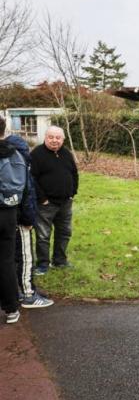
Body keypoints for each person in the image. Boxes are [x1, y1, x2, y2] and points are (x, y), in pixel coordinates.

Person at [5, 133, 54, 308]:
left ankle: (14, 292)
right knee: (25, 257)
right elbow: (26, 193)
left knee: (8, 258)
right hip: (18, 219)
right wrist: (28, 218)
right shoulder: (20, 164)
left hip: (7, 217)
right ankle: (28, 294)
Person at [30, 125, 79, 275]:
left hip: (65, 202)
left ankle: (60, 261)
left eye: (58, 138)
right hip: (46, 204)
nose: (54, 140)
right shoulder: (37, 154)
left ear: (63, 139)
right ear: (45, 138)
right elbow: (31, 179)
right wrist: (42, 199)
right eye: (51, 137)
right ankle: (43, 265)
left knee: (64, 233)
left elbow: (74, 173)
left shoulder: (66, 153)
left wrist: (72, 193)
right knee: (43, 235)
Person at [0, 115, 31, 324]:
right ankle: (11, 309)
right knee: (6, 261)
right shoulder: (16, 154)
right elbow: (25, 185)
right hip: (8, 212)